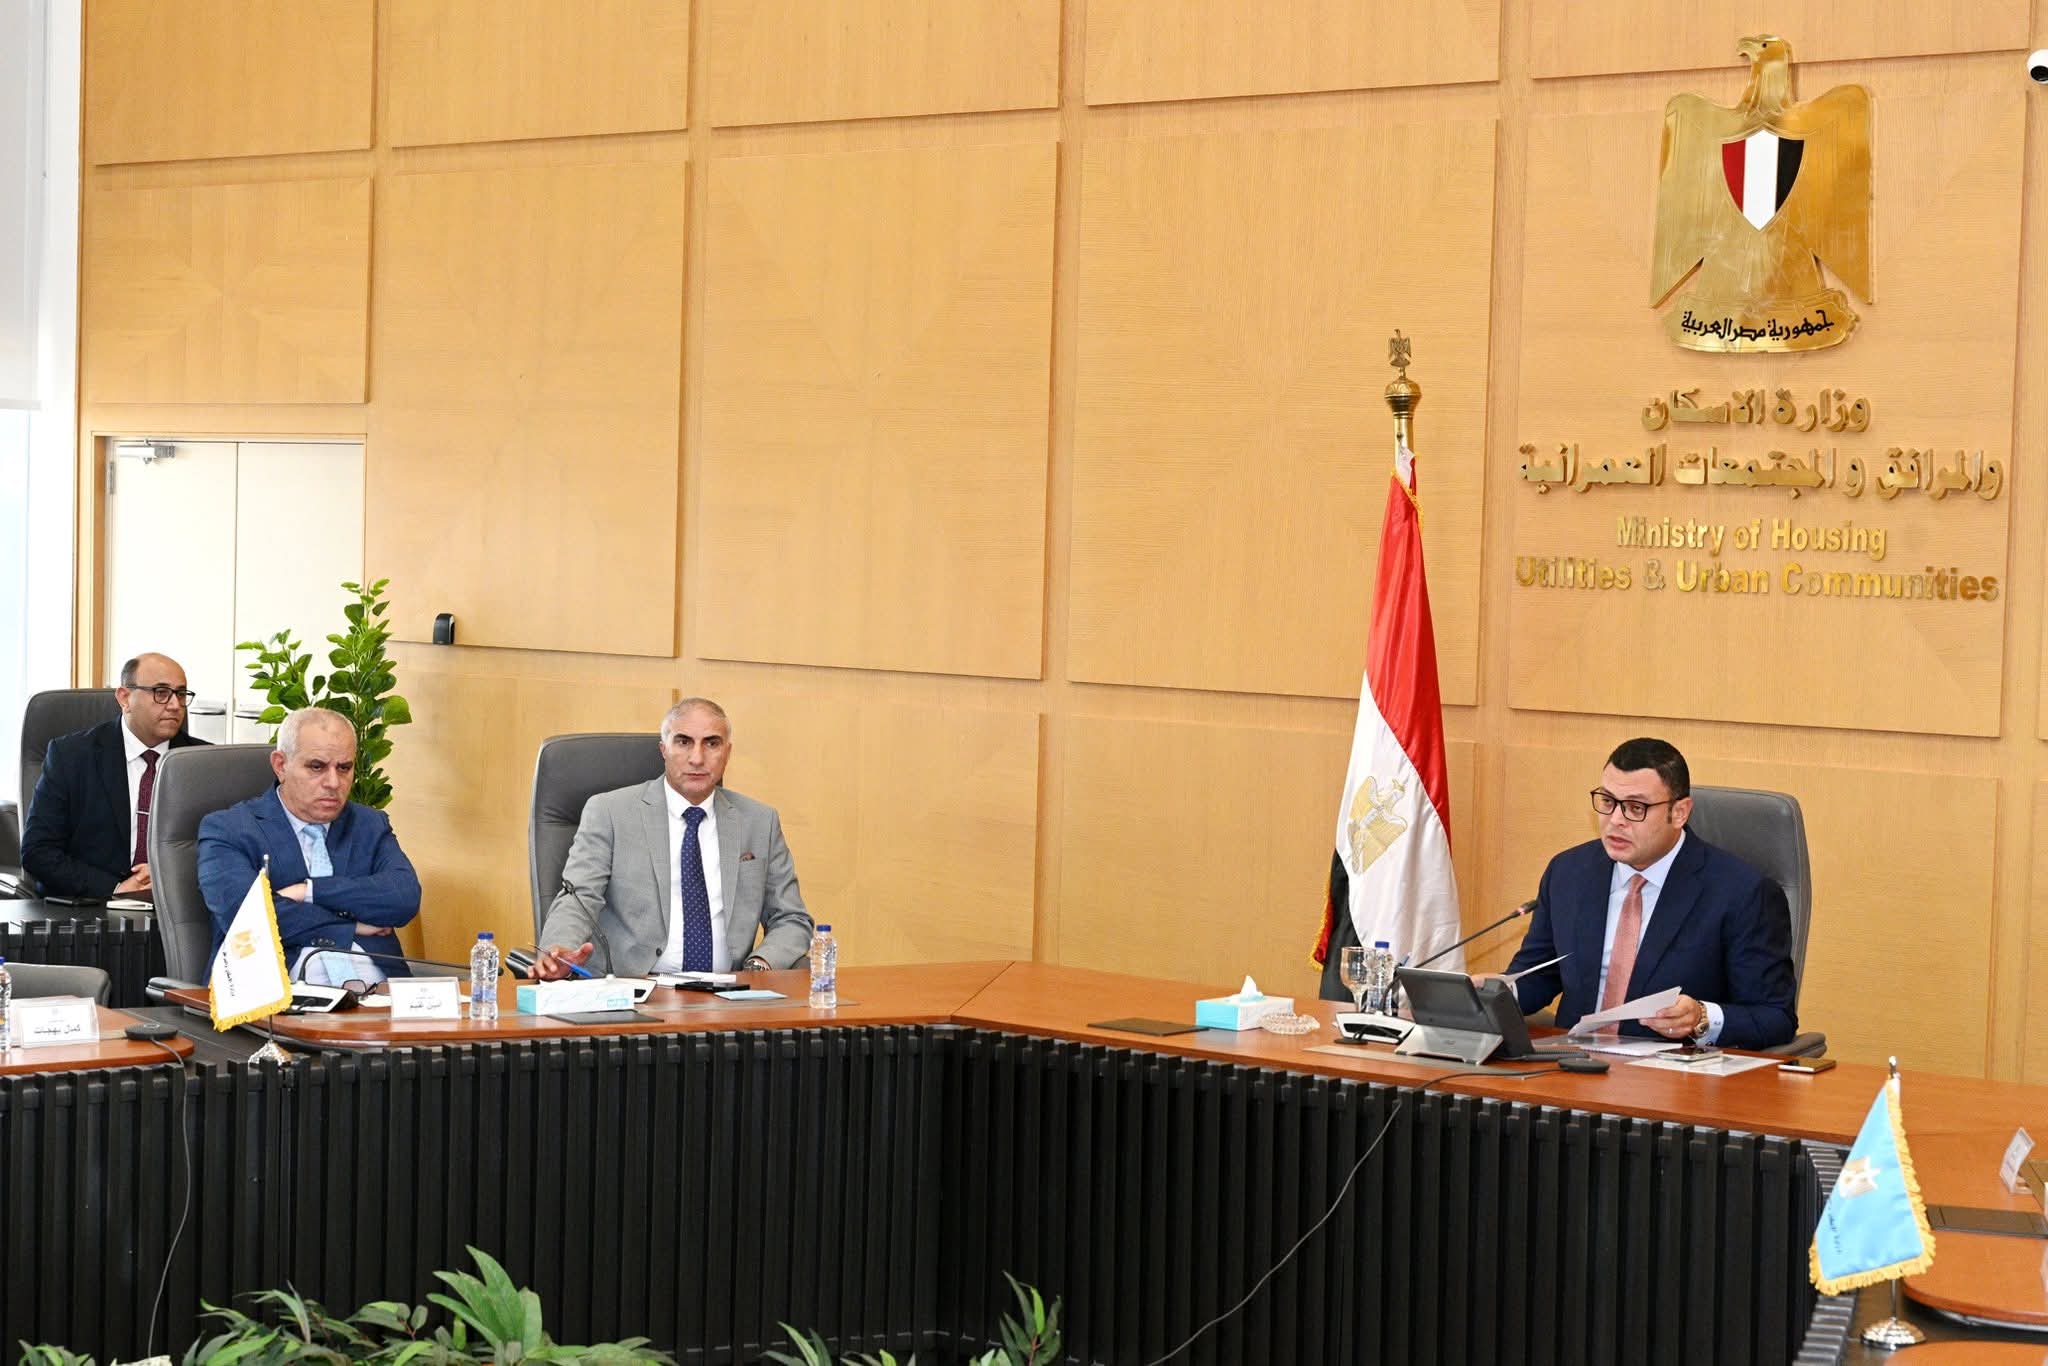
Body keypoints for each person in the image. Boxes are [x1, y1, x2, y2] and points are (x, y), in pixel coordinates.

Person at [1503, 737, 1797, 1049]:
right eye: (1607, 801)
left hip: (1668, 1071)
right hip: (1568, 1065)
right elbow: (1538, 976)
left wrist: (1701, 1017)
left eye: (1635, 808)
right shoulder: (1568, 872)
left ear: (1680, 812)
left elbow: (1775, 1017)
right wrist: (1487, 993)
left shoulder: (1743, 893)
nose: (1616, 820)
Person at [534, 697, 812, 979]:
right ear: (663, 749)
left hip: (729, 991)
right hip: (633, 990)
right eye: (683, 742)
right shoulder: (609, 812)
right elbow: (578, 897)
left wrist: (759, 966)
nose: (697, 758)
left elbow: (791, 918)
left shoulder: (759, 821)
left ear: (727, 753)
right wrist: (559, 949)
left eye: (712, 743)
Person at [197, 707, 421, 984]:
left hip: (382, 995)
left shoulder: (369, 825)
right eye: (317, 767)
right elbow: (248, 918)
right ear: (281, 765)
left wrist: (309, 892)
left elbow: (403, 897)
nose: (333, 782)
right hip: (280, 996)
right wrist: (349, 927)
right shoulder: (230, 829)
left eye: (344, 768)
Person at [20, 652, 209, 900]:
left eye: (181, 694)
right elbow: (37, 851)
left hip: (178, 905)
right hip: (91, 905)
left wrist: (169, 874)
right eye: (161, 692)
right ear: (124, 698)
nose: (175, 705)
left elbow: (221, 848)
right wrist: (115, 888)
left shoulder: (202, 761)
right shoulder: (71, 756)